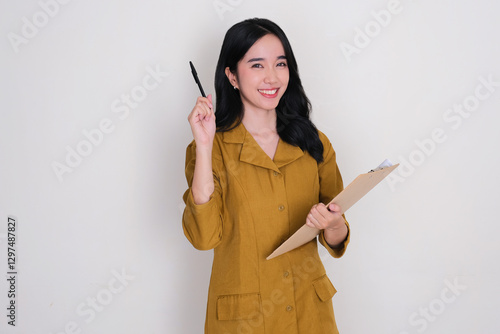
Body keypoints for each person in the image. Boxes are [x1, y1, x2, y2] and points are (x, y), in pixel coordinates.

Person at [182, 18, 350, 334]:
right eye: (257, 65)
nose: (271, 77)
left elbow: (336, 237)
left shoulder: (314, 142)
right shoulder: (210, 149)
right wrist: (205, 146)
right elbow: (204, 238)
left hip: (309, 314)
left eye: (280, 64)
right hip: (244, 321)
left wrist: (334, 224)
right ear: (231, 75)